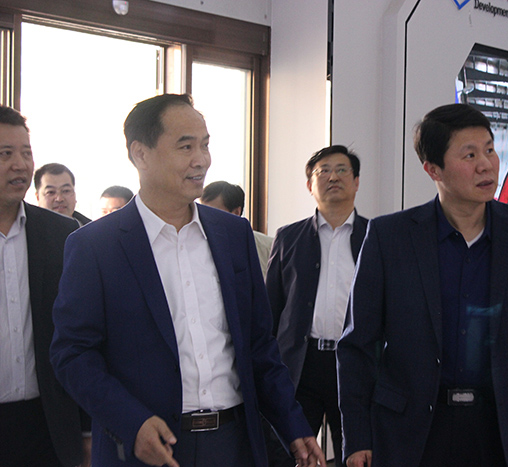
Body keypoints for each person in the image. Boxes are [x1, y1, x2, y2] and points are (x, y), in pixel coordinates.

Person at [50, 93, 326, 467]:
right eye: (186, 146)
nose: (201, 160)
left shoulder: (233, 234)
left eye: (205, 145)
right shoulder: (95, 245)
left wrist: (293, 424)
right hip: (147, 448)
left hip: (234, 442)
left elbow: (259, 344)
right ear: (140, 154)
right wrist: (131, 423)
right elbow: (72, 354)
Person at [337, 103, 508, 467]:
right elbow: (357, 345)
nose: (486, 164)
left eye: (489, 150)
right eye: (469, 155)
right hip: (411, 432)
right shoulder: (390, 237)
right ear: (433, 169)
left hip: (502, 431)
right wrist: (356, 439)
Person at [266, 145, 368, 466]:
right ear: (310, 185)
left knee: (356, 454)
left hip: (355, 365)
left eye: (341, 170)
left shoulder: (376, 237)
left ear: (356, 182)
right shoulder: (288, 237)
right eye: (323, 171)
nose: (333, 177)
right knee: (287, 454)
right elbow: (271, 309)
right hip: (301, 365)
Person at [0, 105, 89, 466]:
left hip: (48, 426)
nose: (20, 165)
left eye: (26, 153)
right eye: (5, 154)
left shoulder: (61, 234)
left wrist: (86, 430)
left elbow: (82, 336)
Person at [200, 180, 274, 276]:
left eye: (212, 213)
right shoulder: (195, 245)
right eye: (201, 212)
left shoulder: (268, 247)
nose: (204, 218)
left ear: (236, 213)